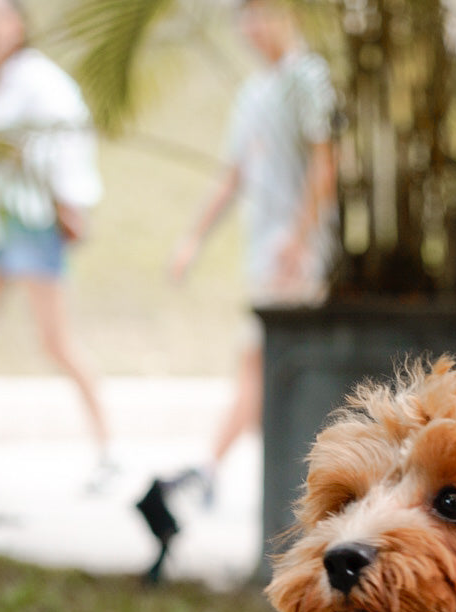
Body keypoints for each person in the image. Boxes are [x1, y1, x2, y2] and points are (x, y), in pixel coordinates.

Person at [134, 0, 336, 574]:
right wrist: (192, 237)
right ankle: (211, 472)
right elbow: (234, 173)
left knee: (266, 365)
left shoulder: (308, 78)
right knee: (257, 365)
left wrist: (300, 239)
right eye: (243, 16)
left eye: (261, 12)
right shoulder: (255, 92)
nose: (252, 27)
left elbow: (326, 165)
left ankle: (212, 472)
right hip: (263, 253)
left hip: (300, 258)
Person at [0, 0, 113, 487]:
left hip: (32, 224)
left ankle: (106, 446)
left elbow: (67, 138)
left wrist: (71, 204)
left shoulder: (38, 79)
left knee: (55, 341)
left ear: (17, 24)